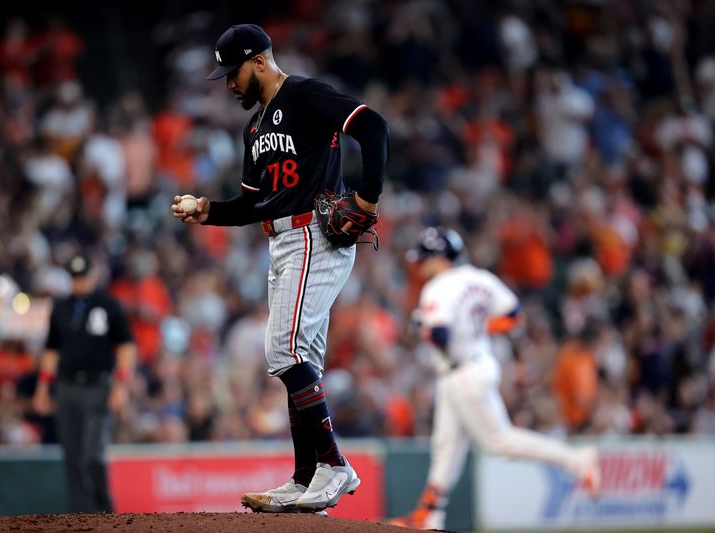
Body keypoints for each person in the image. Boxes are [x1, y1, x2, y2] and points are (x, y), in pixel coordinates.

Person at [171, 23, 389, 513]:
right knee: (300, 360)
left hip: (315, 234)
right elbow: (253, 205)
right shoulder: (254, 128)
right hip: (282, 241)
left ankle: (334, 466)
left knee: (283, 350)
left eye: (233, 72)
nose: (229, 84)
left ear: (259, 60)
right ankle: (305, 475)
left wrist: (367, 199)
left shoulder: (305, 95)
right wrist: (208, 209)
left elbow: (372, 127)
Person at [389, 227, 600, 530]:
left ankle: (578, 461)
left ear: (440, 256)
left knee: (499, 441)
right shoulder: (481, 279)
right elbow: (515, 315)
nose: (420, 264)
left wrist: (421, 326)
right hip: (475, 364)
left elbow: (441, 335)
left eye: (425, 258)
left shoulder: (437, 288)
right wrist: (478, 329)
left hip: (463, 371)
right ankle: (429, 514)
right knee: (446, 445)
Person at [32, 252, 136, 513]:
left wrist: (121, 385)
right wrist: (44, 387)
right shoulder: (61, 307)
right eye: (74, 278)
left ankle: (105, 511)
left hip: (98, 386)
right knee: (72, 456)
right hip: (67, 387)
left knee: (93, 454)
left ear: (94, 275)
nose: (79, 283)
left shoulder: (109, 305)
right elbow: (51, 349)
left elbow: (126, 347)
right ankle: (80, 517)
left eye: (83, 277)